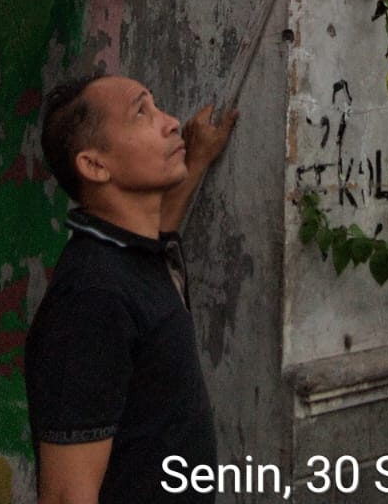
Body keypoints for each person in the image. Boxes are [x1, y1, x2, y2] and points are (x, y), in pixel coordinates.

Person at [25, 74, 237, 504]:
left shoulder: (132, 256)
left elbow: (156, 235)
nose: (171, 122)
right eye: (142, 112)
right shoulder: (91, 297)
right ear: (95, 165)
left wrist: (194, 161)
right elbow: (68, 496)